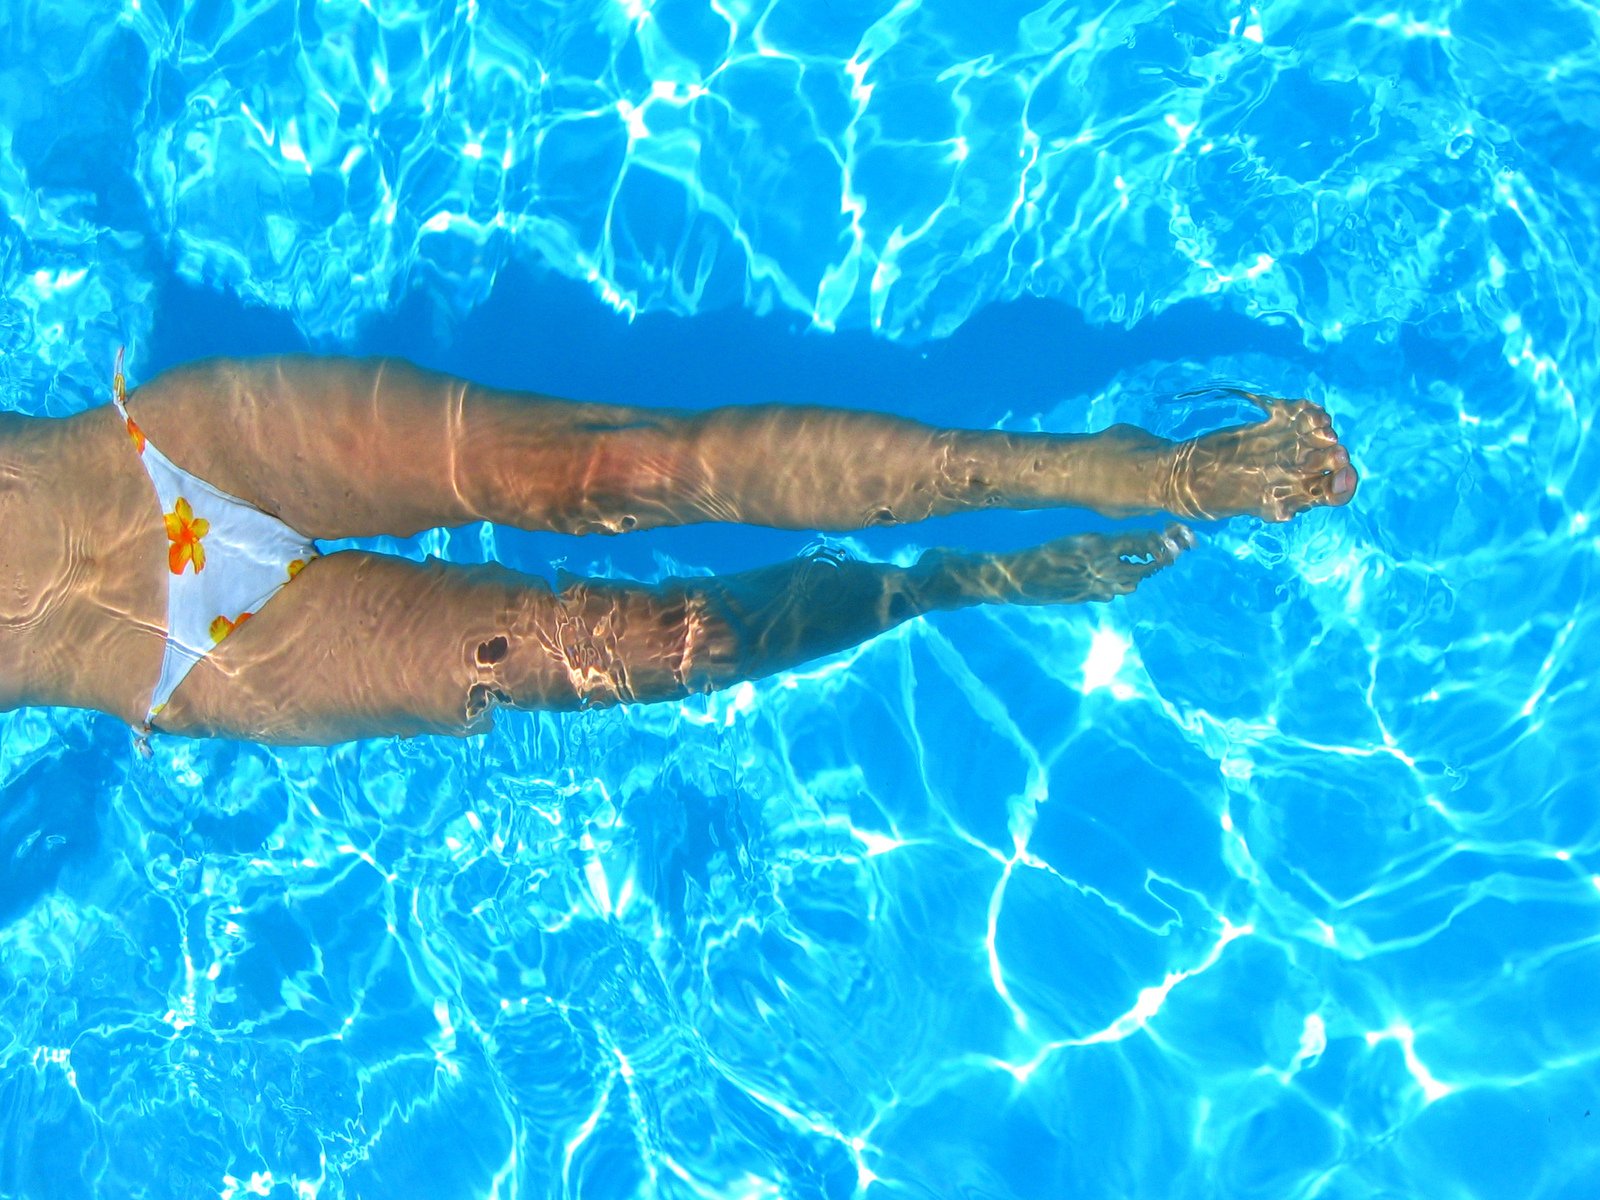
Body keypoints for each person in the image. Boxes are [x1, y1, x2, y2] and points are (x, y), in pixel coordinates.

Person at [0, 354, 1356, 745]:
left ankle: (1126, 469)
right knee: (643, 647)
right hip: (160, 648)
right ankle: (955, 580)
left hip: (153, 462)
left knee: (618, 465)